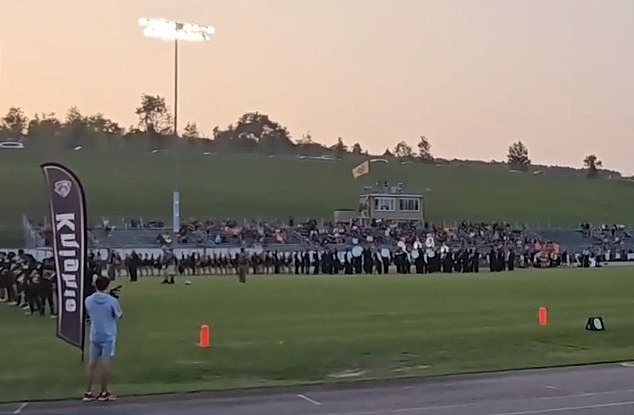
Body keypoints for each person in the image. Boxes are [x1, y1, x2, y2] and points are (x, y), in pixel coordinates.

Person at [83, 276, 123, 402]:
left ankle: (88, 392)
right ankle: (104, 392)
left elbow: (89, 312)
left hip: (95, 333)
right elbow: (118, 315)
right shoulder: (111, 301)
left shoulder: (88, 299)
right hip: (108, 334)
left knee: (92, 363)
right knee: (105, 363)